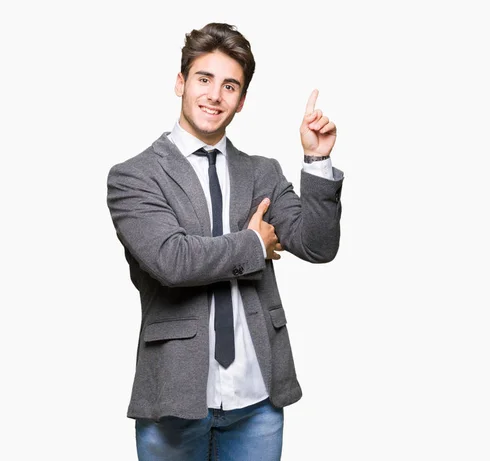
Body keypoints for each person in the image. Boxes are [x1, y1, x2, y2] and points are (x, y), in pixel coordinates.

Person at [106, 22, 343, 461]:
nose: (215, 95)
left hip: (257, 402)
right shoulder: (134, 176)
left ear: (241, 100)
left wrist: (317, 159)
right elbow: (171, 260)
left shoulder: (262, 173)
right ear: (181, 82)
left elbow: (317, 245)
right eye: (204, 79)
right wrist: (253, 245)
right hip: (174, 398)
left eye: (229, 85)